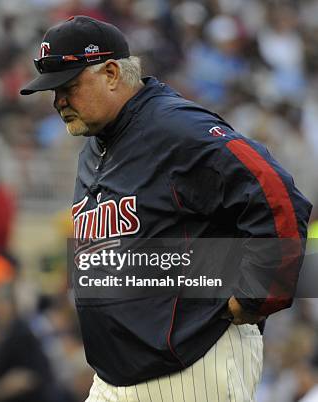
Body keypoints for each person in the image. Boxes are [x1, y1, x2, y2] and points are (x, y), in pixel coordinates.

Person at [20, 16, 312, 402]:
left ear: (110, 73)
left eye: (68, 86)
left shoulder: (176, 128)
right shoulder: (97, 143)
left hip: (189, 367)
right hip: (116, 376)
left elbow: (276, 194)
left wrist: (258, 294)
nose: (58, 101)